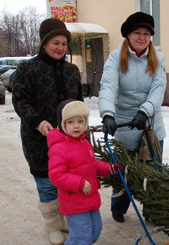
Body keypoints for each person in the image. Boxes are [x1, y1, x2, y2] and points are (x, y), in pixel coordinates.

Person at [12, 18, 83, 245]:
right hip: (38, 140)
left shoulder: (72, 71)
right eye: (55, 42)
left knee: (67, 181)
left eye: (64, 43)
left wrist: (83, 127)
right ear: (43, 43)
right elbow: (21, 101)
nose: (60, 48)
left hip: (68, 139)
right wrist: (38, 122)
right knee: (46, 183)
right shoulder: (28, 69)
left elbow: (78, 102)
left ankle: (63, 219)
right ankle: (52, 225)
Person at [98, 12, 167, 223]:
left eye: (147, 34)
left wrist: (145, 111)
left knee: (152, 172)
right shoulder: (116, 58)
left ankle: (151, 211)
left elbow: (158, 89)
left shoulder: (158, 58)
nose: (142, 38)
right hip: (125, 123)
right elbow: (108, 86)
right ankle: (119, 207)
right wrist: (108, 114)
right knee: (123, 171)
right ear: (128, 35)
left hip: (150, 124)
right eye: (137, 32)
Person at [47, 99, 120, 245]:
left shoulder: (84, 142)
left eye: (80, 121)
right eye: (70, 122)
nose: (76, 126)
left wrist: (108, 168)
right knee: (83, 237)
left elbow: (91, 165)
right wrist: (79, 183)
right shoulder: (59, 148)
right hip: (74, 203)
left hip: (90, 199)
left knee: (95, 231)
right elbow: (56, 175)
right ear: (62, 124)